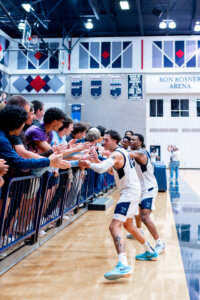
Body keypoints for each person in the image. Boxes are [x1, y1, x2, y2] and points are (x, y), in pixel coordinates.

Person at [80, 130, 158, 281]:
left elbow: (102, 169)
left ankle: (123, 264)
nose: (104, 143)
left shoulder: (116, 154)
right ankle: (150, 251)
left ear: (114, 141)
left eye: (106, 140)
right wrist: (96, 160)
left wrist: (89, 163)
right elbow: (110, 171)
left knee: (114, 226)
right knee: (129, 226)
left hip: (129, 192)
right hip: (131, 191)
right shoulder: (119, 153)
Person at [128, 134, 165, 255]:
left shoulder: (141, 153)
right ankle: (139, 231)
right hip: (139, 188)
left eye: (133, 140)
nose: (130, 141)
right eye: (130, 139)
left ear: (140, 143)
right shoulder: (133, 153)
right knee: (136, 213)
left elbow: (125, 154)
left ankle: (160, 243)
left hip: (149, 188)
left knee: (144, 216)